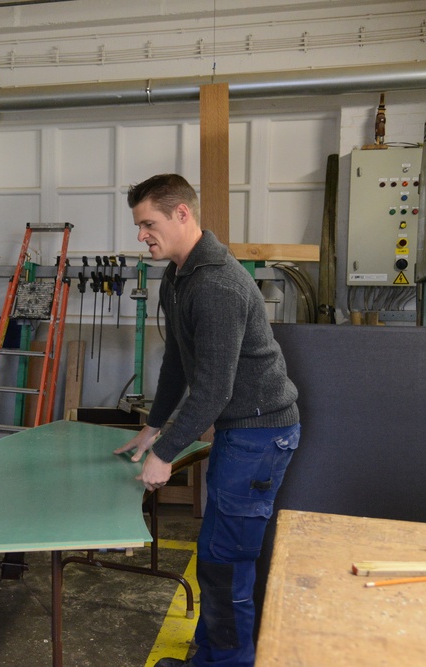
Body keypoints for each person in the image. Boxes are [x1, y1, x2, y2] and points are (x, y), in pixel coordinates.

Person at [114, 174, 300, 667]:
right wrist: (155, 427)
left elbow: (214, 388)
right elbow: (178, 360)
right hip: (240, 429)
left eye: (148, 223)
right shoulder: (179, 276)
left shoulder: (215, 284)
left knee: (225, 558)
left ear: (182, 214)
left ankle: (228, 661)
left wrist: (164, 456)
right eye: (138, 225)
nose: (141, 236)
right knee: (218, 550)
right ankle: (215, 652)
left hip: (261, 433)